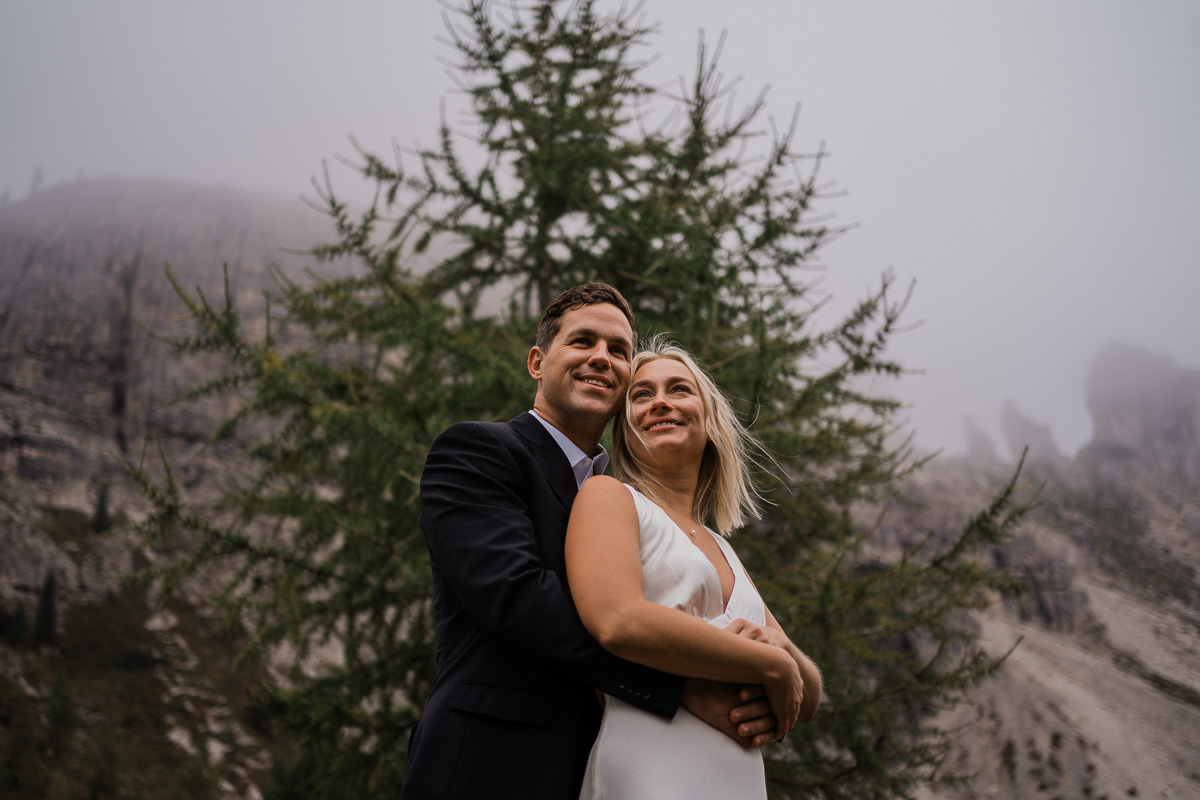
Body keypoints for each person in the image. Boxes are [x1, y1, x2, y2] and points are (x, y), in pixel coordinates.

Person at [402, 284, 781, 800]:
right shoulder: (479, 451)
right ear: (537, 361)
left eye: (619, 350)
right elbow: (518, 594)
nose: (601, 359)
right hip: (492, 761)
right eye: (582, 342)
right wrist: (683, 683)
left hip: (610, 766)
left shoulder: (628, 503)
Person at [566, 337, 822, 799]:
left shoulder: (722, 547)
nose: (660, 401)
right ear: (625, 428)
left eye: (679, 389)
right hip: (650, 763)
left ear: (710, 420)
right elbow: (617, 620)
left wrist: (782, 658)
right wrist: (769, 663)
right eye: (641, 395)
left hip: (737, 778)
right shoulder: (609, 497)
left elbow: (809, 695)